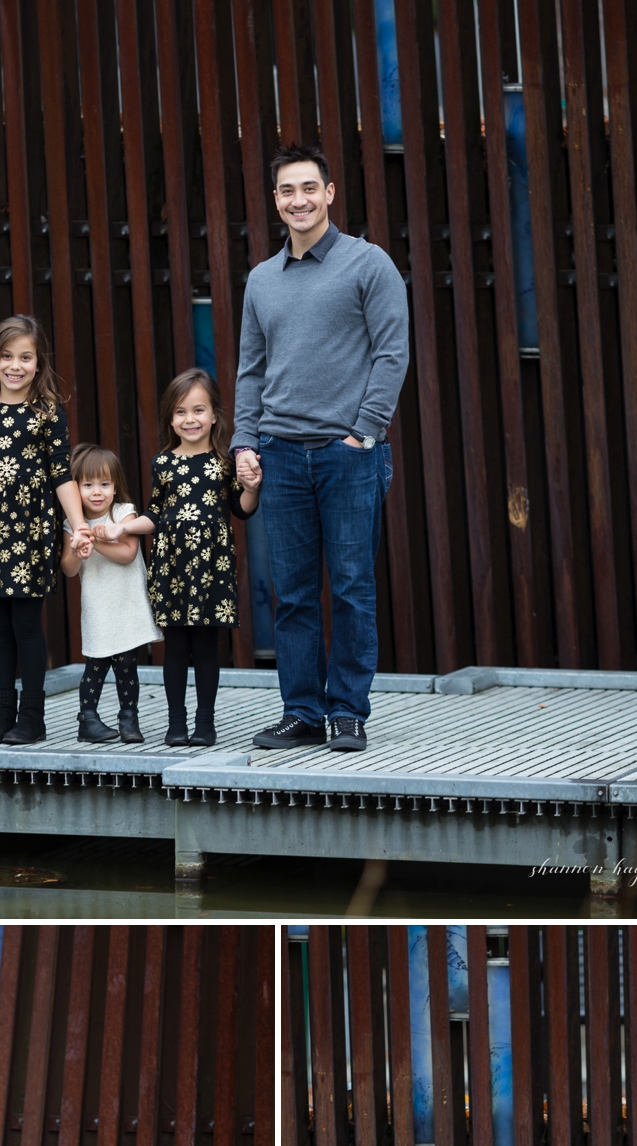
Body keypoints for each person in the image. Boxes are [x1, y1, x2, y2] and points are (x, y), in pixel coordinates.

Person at [229, 143, 409, 754]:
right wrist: (244, 441)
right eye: (286, 191)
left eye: (309, 188)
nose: (298, 200)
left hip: (347, 454)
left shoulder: (368, 264)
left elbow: (392, 353)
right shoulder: (261, 279)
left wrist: (365, 432)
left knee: (352, 587)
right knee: (294, 592)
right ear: (275, 200)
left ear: (329, 193)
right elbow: (251, 370)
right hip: (279, 454)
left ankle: (348, 711)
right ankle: (302, 710)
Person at [0, 315, 84, 745]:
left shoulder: (47, 412)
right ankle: (1, 712)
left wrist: (79, 526)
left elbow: (61, 474)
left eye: (25, 357)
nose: (15, 365)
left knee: (26, 624)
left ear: (38, 363)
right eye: (7, 356)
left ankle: (33, 717)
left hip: (30, 529)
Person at [118, 370, 259, 746]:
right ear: (170, 418)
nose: (190, 419)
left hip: (211, 565)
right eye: (180, 412)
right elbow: (154, 513)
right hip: (173, 565)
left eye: (198, 410)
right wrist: (123, 528)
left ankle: (205, 722)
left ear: (214, 415)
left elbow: (241, 509)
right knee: (176, 645)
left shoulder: (225, 461)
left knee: (206, 646)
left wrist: (252, 489)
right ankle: (176, 722)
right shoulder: (163, 463)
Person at [62, 445, 162, 744]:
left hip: (126, 603)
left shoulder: (123, 513)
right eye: (88, 484)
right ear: (76, 488)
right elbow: (68, 569)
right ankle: (87, 719)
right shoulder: (73, 524)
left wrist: (97, 541)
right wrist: (78, 549)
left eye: (104, 484)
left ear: (115, 486)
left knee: (127, 664)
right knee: (95, 664)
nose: (97, 492)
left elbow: (129, 553)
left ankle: (129, 718)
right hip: (98, 605)